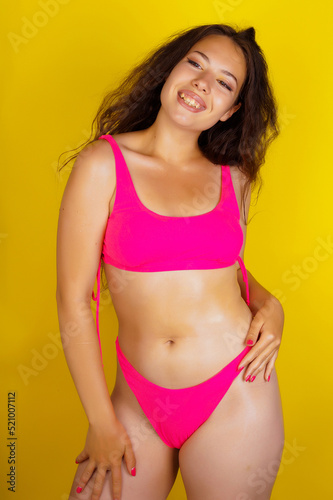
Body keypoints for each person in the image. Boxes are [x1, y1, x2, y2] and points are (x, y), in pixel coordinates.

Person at [56, 23, 285, 500]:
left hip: (236, 389)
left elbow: (224, 268)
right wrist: (101, 421)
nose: (204, 83)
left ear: (231, 111)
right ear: (171, 70)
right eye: (195, 63)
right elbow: (75, 301)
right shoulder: (103, 164)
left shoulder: (233, 178)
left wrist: (270, 304)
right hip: (136, 399)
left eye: (225, 82)